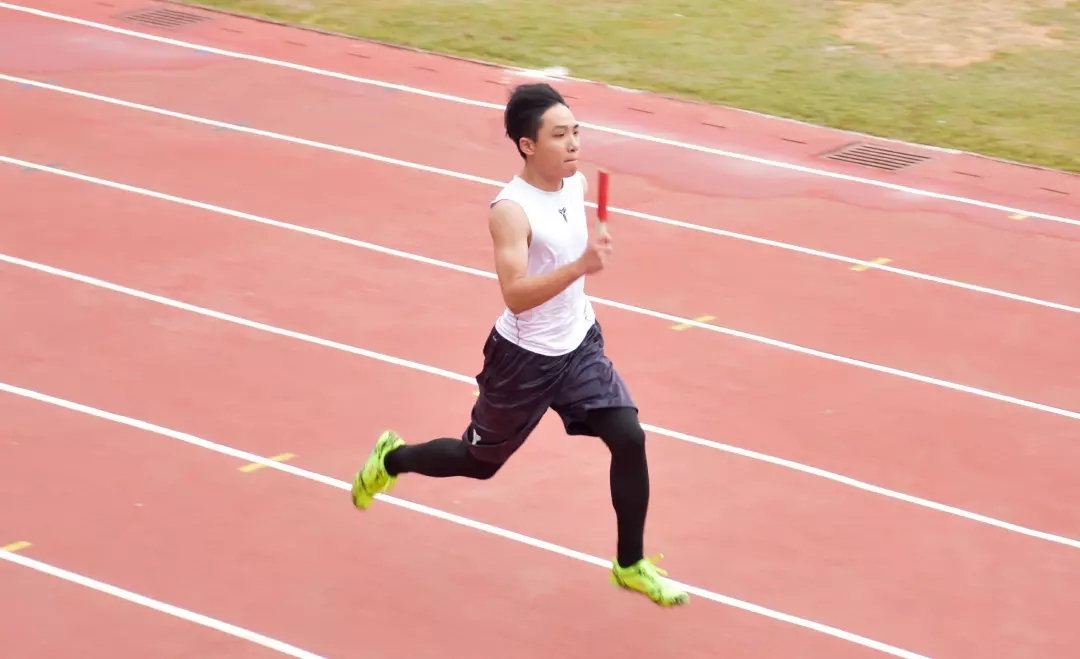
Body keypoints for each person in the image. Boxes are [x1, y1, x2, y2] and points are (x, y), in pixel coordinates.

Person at [350, 82, 688, 608]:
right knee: (478, 462)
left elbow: (566, 250)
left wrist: (585, 259)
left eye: (576, 131)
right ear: (527, 145)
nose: (574, 144)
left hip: (578, 345)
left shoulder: (575, 185)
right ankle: (392, 459)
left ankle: (629, 565)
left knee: (629, 437)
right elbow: (515, 294)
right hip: (523, 361)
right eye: (560, 135)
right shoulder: (510, 210)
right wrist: (582, 266)